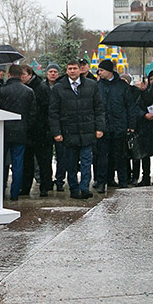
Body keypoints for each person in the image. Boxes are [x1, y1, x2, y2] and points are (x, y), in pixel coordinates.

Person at [49, 59, 105, 199]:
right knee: (71, 162)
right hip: (69, 131)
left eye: (75, 68)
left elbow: (99, 108)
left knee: (87, 161)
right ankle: (74, 188)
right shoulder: (59, 87)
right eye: (70, 68)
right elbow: (53, 112)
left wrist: (100, 128)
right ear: (66, 71)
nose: (72, 71)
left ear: (80, 70)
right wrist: (57, 132)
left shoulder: (91, 86)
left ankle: (84, 187)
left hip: (87, 130)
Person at [94, 59, 137, 192]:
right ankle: (102, 181)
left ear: (109, 71)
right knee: (103, 156)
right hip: (103, 127)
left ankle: (123, 181)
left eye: (101, 70)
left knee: (121, 155)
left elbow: (130, 106)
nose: (99, 73)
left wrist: (131, 124)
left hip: (119, 126)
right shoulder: (97, 86)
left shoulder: (122, 86)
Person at [0, 65, 34, 201]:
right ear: (21, 76)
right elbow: (32, 114)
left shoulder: (1, 91)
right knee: (18, 163)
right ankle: (15, 193)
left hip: (4, 131)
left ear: (9, 75)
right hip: (21, 131)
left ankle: (0, 191)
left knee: (2, 163)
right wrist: (25, 126)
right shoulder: (29, 91)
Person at [19, 65, 53, 197]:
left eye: (23, 75)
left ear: (30, 74)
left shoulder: (41, 88)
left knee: (43, 161)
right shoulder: (26, 88)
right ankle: (26, 187)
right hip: (29, 130)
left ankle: (45, 186)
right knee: (27, 162)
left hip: (41, 130)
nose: (21, 77)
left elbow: (46, 109)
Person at [131, 72, 153, 186]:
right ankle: (145, 177)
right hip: (145, 128)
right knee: (144, 155)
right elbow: (137, 107)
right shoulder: (143, 93)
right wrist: (144, 115)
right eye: (150, 79)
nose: (152, 81)